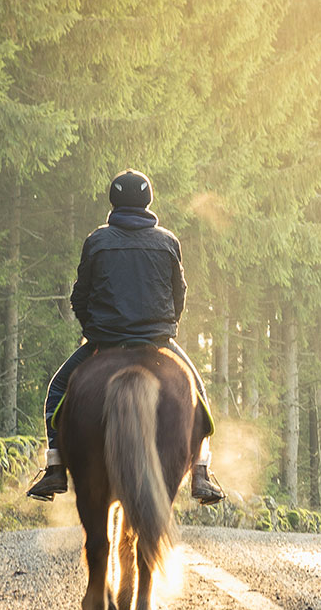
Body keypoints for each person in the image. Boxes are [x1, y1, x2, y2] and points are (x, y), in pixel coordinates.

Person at [26, 169, 227, 504]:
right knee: (200, 397)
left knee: (57, 390)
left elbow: (80, 296)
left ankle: (56, 468)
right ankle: (201, 474)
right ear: (148, 201)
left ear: (113, 200)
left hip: (104, 342)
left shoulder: (97, 241)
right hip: (157, 342)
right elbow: (180, 295)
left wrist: (94, 331)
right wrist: (164, 327)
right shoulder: (168, 242)